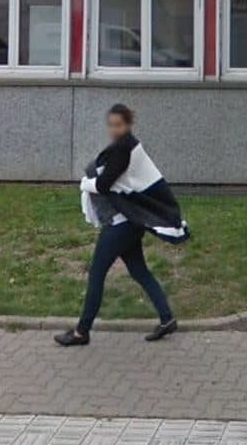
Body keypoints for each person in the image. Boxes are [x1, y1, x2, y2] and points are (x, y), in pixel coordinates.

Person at [54, 103, 187, 347]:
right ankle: (167, 318)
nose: (114, 129)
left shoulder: (124, 149)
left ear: (128, 124)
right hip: (131, 221)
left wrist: (85, 183)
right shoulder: (130, 147)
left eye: (119, 125)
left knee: (96, 273)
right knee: (139, 271)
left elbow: (104, 185)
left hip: (120, 225)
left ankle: (81, 332)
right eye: (111, 125)